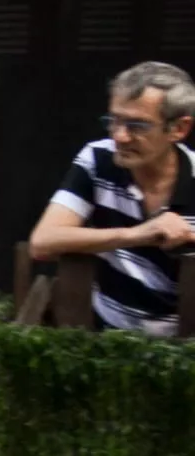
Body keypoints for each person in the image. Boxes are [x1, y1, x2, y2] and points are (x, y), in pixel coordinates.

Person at [29, 61, 195, 334]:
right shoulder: (98, 159)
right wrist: (137, 234)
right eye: (114, 121)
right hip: (109, 341)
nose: (120, 136)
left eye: (137, 126)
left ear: (179, 129)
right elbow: (43, 242)